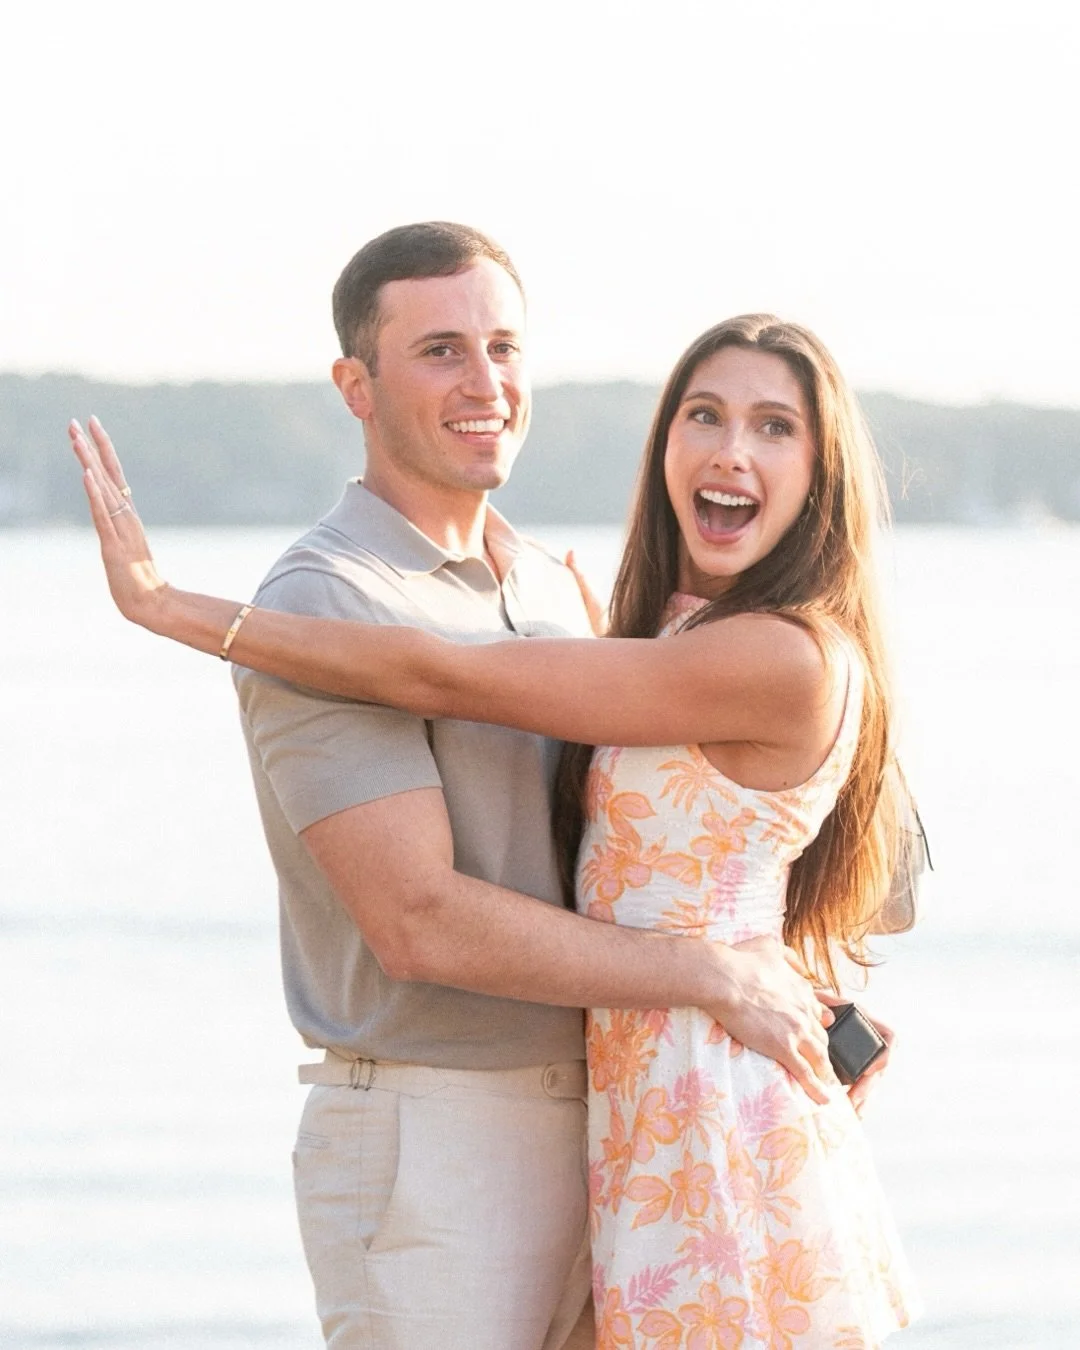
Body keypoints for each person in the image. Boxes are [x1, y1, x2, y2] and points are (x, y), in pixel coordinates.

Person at [67, 225, 888, 1350]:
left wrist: (797, 980)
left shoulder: (560, 591)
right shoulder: (323, 598)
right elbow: (416, 919)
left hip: (621, 1113)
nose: (485, 383)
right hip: (439, 1124)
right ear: (355, 384)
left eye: (503, 346)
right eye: (441, 350)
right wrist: (706, 971)